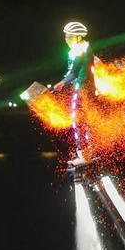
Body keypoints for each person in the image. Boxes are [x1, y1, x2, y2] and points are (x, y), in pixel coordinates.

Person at [50, 20, 94, 165]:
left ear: (79, 37)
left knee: (78, 121)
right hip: (84, 88)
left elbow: (74, 72)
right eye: (65, 36)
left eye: (69, 37)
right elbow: (72, 71)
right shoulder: (84, 48)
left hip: (81, 89)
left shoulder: (80, 49)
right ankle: (88, 153)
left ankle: (83, 155)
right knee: (84, 121)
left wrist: (61, 84)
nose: (66, 40)